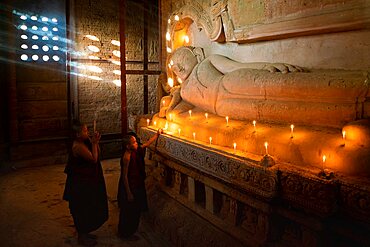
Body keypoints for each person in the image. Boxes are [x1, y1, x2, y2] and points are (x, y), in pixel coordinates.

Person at [63, 120, 108, 246]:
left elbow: (97, 154)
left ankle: (85, 232)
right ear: (77, 134)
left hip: (86, 181)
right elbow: (93, 159)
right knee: (82, 208)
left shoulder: (83, 142)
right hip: (80, 184)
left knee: (89, 206)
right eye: (84, 131)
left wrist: (95, 142)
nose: (87, 132)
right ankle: (81, 237)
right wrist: (93, 143)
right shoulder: (78, 146)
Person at [117, 129, 163, 240]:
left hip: (137, 184)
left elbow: (146, 144)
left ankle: (130, 231)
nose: (136, 143)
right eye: (134, 142)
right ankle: (126, 233)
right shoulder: (127, 157)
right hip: (130, 187)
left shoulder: (135, 151)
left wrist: (157, 135)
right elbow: (124, 176)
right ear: (128, 146)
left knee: (136, 210)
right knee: (129, 212)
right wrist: (128, 193)